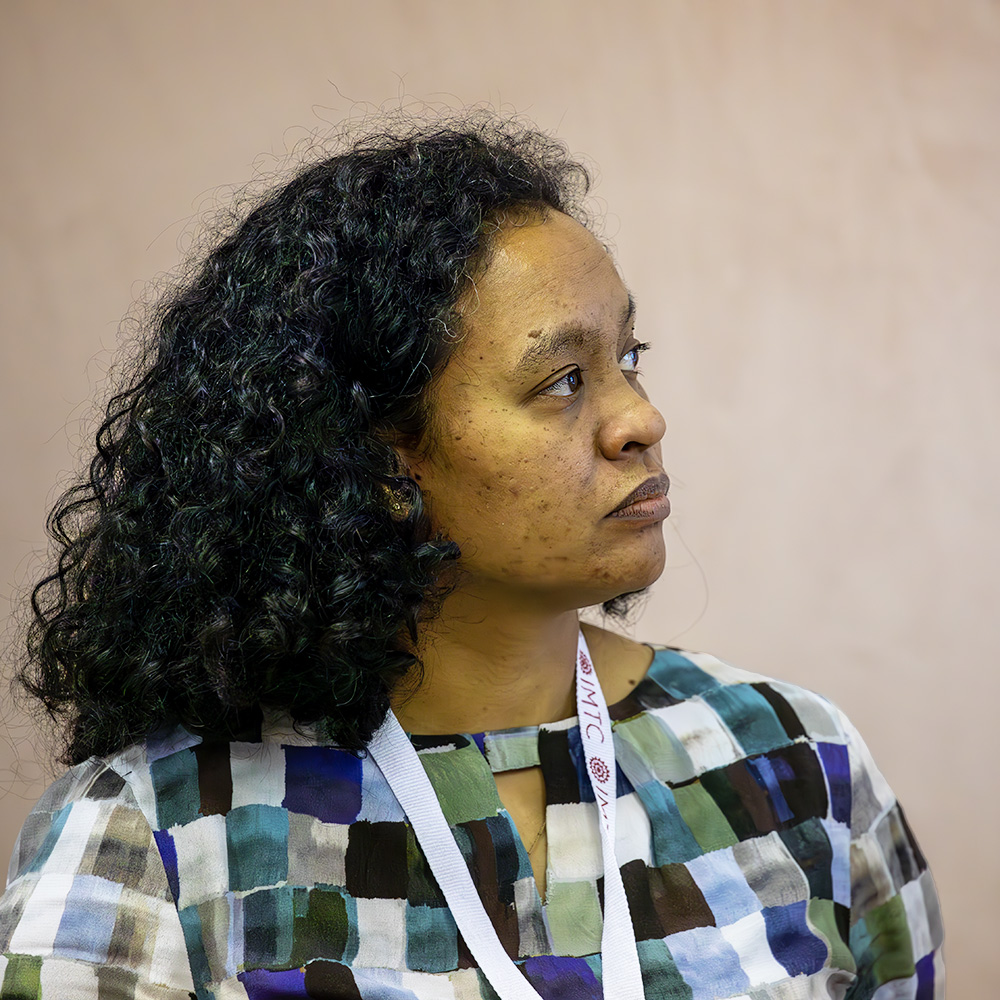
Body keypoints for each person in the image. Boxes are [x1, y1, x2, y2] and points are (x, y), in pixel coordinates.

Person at [0, 113, 943, 1000]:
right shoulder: (156, 832)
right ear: (376, 459)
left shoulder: (789, 755)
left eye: (628, 356)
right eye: (563, 380)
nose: (641, 418)